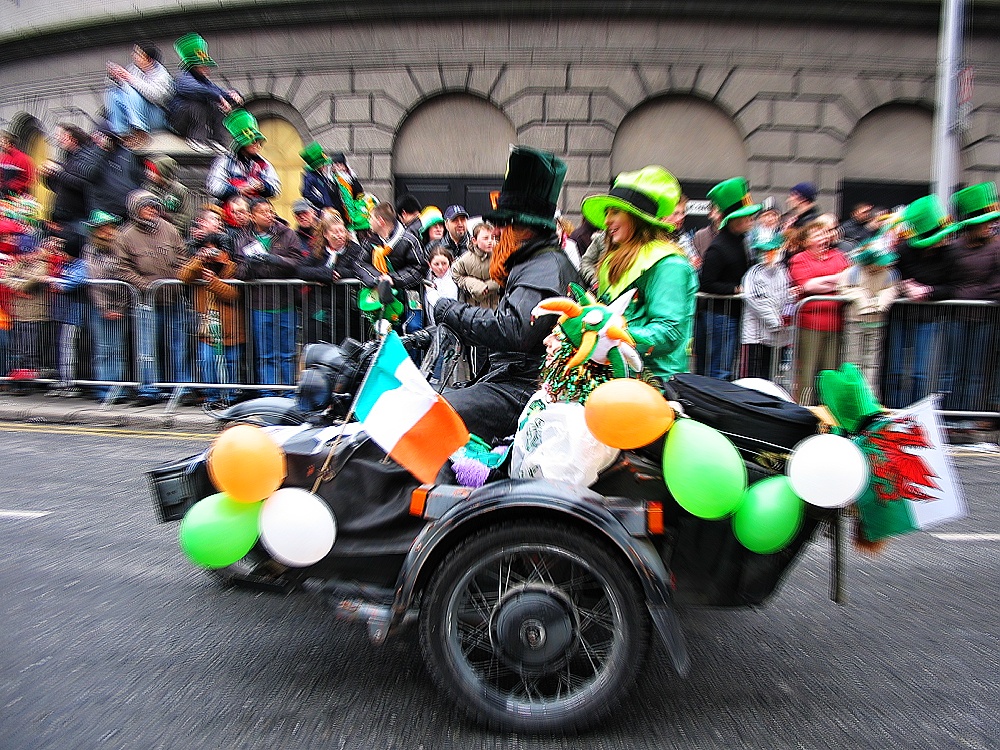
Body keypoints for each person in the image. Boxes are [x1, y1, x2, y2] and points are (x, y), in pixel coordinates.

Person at [428, 146, 580, 443]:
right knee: (434, 396)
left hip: (524, 390)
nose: (495, 231)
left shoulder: (546, 266)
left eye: (503, 223)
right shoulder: (534, 261)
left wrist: (449, 311)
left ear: (523, 227)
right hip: (512, 380)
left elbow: (512, 328)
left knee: (437, 412)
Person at [580, 165, 698, 384]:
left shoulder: (669, 264)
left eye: (614, 212)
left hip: (655, 384)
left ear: (636, 217)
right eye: (607, 213)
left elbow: (669, 332)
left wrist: (609, 335)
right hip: (616, 377)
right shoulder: (614, 260)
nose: (606, 222)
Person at [113, 190, 192, 405]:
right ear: (135, 210)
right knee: (147, 347)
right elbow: (123, 269)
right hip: (147, 302)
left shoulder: (169, 229)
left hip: (174, 298)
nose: (151, 210)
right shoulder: (125, 235)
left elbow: (183, 256)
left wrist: (178, 277)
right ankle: (149, 390)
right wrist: (145, 285)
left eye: (154, 206)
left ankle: (181, 388)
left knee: (178, 345)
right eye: (146, 207)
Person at [884, 195, 957, 408]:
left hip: (927, 318)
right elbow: (891, 277)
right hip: (900, 317)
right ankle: (892, 414)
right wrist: (905, 286)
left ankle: (914, 417)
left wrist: (929, 291)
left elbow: (953, 287)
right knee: (895, 370)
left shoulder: (949, 254)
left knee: (919, 373)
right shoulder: (903, 251)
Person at [236, 197, 305, 394]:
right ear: (252, 216)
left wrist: (275, 259)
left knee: (288, 353)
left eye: (270, 211)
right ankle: (268, 392)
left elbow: (297, 263)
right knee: (265, 354)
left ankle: (289, 392)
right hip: (260, 304)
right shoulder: (243, 237)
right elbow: (239, 272)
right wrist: (251, 266)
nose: (269, 215)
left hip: (285, 302)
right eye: (263, 212)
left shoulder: (286, 233)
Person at [947, 182, 1000, 413]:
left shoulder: (996, 248)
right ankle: (953, 417)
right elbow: (946, 281)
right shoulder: (954, 249)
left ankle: (970, 416)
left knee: (977, 371)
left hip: (985, 320)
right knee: (954, 370)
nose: (991, 225)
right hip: (956, 319)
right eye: (986, 221)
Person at [700, 177, 758, 380]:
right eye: (747, 217)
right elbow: (706, 283)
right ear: (734, 219)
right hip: (720, 316)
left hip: (733, 314)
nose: (751, 220)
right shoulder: (719, 247)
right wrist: (735, 289)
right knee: (720, 369)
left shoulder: (743, 242)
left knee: (727, 367)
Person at [788, 219, 850, 404]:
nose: (823, 238)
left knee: (830, 373)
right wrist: (835, 280)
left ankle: (829, 414)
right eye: (817, 235)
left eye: (824, 234)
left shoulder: (838, 255)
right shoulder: (800, 259)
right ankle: (805, 410)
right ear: (806, 241)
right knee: (807, 373)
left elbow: (847, 279)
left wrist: (824, 281)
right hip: (810, 325)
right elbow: (807, 285)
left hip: (835, 324)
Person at [177, 233, 243, 405]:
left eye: (215, 249)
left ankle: (230, 397)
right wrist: (199, 259)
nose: (212, 253)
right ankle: (213, 397)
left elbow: (233, 294)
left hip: (231, 328)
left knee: (230, 362)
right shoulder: (200, 266)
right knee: (207, 361)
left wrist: (214, 281)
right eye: (207, 248)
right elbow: (183, 276)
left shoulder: (233, 268)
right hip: (208, 328)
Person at [838, 234, 899, 400]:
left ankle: (869, 398)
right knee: (852, 362)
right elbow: (844, 289)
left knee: (872, 363)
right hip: (855, 322)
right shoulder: (852, 273)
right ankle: (851, 397)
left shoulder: (890, 274)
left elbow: (892, 290)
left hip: (877, 323)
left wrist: (881, 303)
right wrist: (862, 298)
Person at [80, 211, 128, 402]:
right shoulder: (90, 250)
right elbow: (95, 282)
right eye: (102, 228)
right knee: (103, 349)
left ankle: (118, 389)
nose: (107, 231)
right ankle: (104, 389)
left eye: (109, 227)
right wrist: (104, 308)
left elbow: (124, 279)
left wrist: (120, 308)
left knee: (118, 349)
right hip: (99, 308)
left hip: (120, 306)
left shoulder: (120, 247)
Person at [357, 201, 426, 333]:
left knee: (412, 330)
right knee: (382, 334)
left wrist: (392, 279)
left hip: (409, 297)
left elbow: (419, 268)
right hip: (380, 298)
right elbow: (360, 264)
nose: (369, 221)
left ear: (381, 221)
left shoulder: (409, 240)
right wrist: (378, 279)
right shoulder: (370, 241)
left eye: (371, 218)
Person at [166, 33, 243, 152]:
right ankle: (197, 139)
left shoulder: (205, 81)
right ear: (194, 67)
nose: (206, 69)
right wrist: (218, 98)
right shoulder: (182, 78)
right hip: (179, 121)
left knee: (217, 107)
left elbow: (218, 92)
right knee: (198, 105)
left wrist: (232, 96)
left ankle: (219, 141)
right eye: (203, 66)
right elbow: (197, 90)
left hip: (196, 119)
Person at [298, 210, 364, 344]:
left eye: (342, 231)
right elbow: (300, 270)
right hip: (320, 308)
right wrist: (324, 274)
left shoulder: (354, 249)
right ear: (326, 234)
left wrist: (339, 273)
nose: (340, 235)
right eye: (335, 232)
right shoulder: (318, 251)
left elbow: (358, 269)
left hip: (346, 310)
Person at [740, 236, 792, 381]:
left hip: (774, 336)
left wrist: (786, 316)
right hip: (755, 335)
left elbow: (786, 295)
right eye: (763, 252)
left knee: (768, 374)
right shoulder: (754, 273)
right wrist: (776, 321)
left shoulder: (782, 272)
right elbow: (757, 300)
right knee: (751, 376)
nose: (767, 255)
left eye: (771, 251)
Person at [206, 109, 280, 203]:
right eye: (253, 141)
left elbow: (276, 189)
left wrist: (262, 187)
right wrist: (237, 190)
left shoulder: (264, 164)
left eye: (258, 141)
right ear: (241, 144)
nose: (257, 145)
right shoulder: (224, 162)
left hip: (257, 211)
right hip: (233, 210)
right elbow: (214, 186)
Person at [104, 42, 173, 140]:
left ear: (148, 59)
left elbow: (157, 98)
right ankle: (123, 133)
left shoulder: (162, 75)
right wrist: (117, 78)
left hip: (157, 116)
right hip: (137, 113)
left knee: (130, 89)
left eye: (137, 53)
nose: (133, 55)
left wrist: (129, 78)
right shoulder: (133, 69)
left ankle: (141, 132)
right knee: (112, 93)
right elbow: (124, 95)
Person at [79, 126, 146, 218]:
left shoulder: (126, 154)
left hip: (130, 208)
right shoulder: (89, 154)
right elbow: (89, 174)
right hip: (106, 211)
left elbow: (139, 177)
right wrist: (101, 151)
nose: (105, 140)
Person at [38, 123, 94, 230]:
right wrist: (48, 176)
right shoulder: (68, 157)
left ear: (72, 138)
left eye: (62, 135)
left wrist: (58, 172)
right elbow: (59, 187)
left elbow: (81, 184)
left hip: (78, 217)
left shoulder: (84, 157)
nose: (58, 139)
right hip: (65, 218)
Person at [452, 220, 501, 310]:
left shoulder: (500, 255)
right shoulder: (466, 259)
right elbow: (456, 274)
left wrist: (489, 286)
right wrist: (474, 284)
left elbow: (507, 274)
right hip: (473, 309)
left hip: (496, 307)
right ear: (474, 240)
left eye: (492, 237)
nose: (490, 241)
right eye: (485, 238)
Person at [144, 155, 192, 233]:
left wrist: (173, 230)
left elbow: (186, 215)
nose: (148, 173)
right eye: (147, 170)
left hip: (172, 232)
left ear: (162, 173)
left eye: (152, 171)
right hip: (151, 231)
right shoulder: (149, 188)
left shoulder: (180, 191)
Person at [424, 246, 458, 326]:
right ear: (429, 264)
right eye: (436, 264)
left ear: (450, 262)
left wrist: (431, 292)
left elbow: (445, 306)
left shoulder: (453, 280)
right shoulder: (427, 279)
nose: (440, 267)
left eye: (444, 263)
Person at [0, 130, 35, 198]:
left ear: (10, 144)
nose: (1, 144)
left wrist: (10, 186)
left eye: (3, 142)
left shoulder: (24, 159)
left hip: (18, 196)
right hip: (3, 194)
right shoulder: (2, 158)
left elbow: (29, 180)